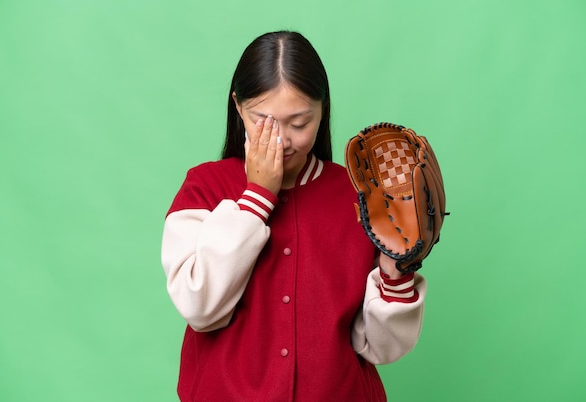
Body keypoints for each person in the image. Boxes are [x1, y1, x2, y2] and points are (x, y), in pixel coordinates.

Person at [161, 30, 426, 402]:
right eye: (263, 121)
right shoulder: (203, 187)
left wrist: (396, 269)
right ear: (237, 107)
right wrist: (257, 197)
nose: (283, 140)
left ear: (323, 110)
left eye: (299, 123)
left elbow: (380, 348)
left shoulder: (362, 195)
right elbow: (200, 308)